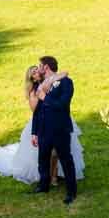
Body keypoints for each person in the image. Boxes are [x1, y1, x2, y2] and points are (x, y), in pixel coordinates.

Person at [0, 62, 84, 188]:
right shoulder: (34, 92)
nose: (37, 72)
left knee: (59, 152)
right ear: (32, 78)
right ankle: (49, 178)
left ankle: (55, 175)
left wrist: (52, 81)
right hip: (42, 122)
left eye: (37, 69)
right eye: (33, 72)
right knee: (47, 155)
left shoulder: (49, 81)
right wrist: (42, 97)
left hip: (59, 120)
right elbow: (36, 112)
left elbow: (64, 74)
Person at [32, 55, 77, 204]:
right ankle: (43, 185)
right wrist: (34, 132)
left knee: (66, 159)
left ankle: (71, 192)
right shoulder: (41, 85)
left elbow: (62, 104)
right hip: (44, 130)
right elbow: (37, 111)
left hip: (60, 128)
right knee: (42, 159)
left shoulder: (66, 83)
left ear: (46, 67)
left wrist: (45, 98)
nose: (38, 69)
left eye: (40, 66)